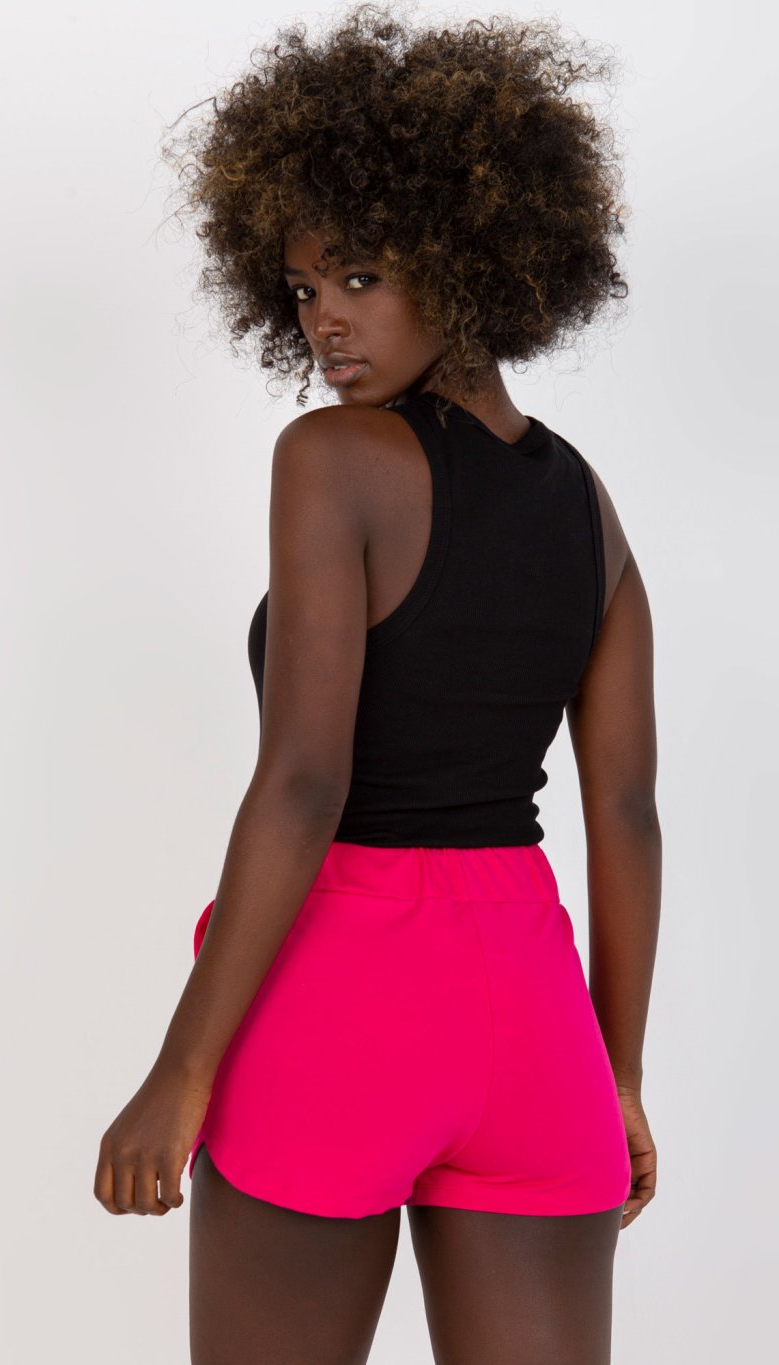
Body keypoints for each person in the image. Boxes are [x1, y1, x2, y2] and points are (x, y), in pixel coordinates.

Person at [95, 7, 660, 1362]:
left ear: (469, 258)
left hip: (343, 991)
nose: (323, 322)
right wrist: (619, 1073)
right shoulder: (589, 507)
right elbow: (628, 813)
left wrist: (180, 1071)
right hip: (537, 1021)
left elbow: (305, 781)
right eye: (302, 288)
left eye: (359, 275)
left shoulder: (333, 459)